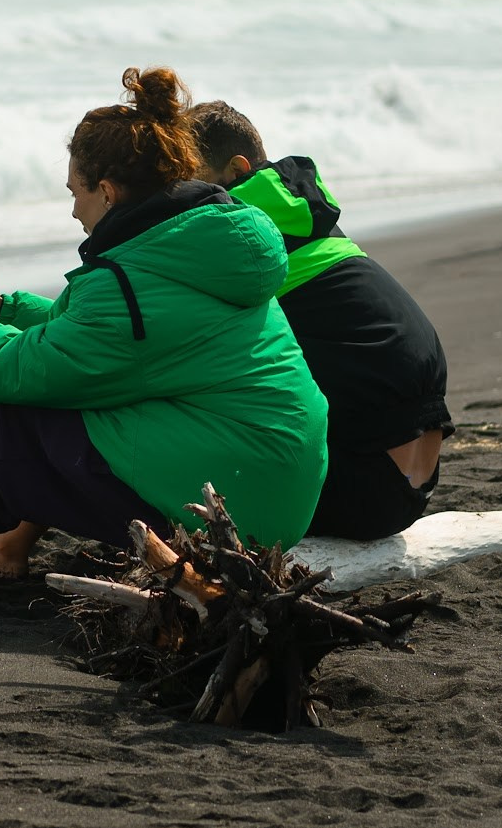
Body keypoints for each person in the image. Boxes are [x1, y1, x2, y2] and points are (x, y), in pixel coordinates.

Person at [0, 68, 328, 588]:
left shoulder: (129, 284)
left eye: (75, 192)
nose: (72, 210)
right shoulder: (205, 241)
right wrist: (1, 308)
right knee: (70, 388)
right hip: (273, 486)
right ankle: (3, 550)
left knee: (16, 403)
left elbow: (15, 370)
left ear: (107, 192)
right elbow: (111, 342)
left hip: (233, 513)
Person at [186, 101, 451, 540]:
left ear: (235, 169)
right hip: (416, 477)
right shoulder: (300, 214)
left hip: (369, 490)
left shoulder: (241, 235)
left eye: (190, 182)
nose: (182, 199)